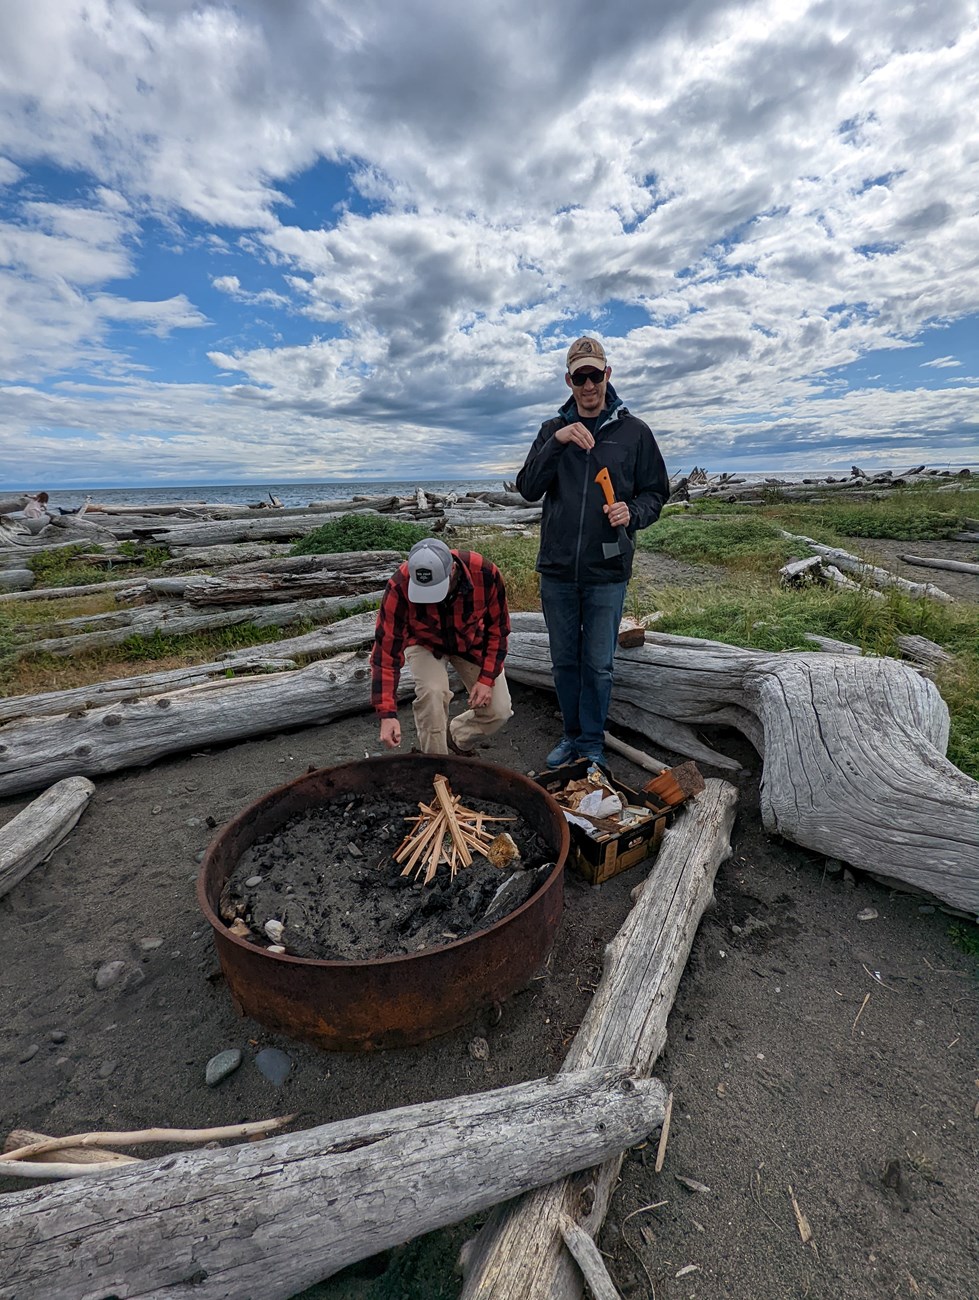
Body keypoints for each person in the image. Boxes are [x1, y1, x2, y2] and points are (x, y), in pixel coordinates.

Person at [516, 336, 669, 768]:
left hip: (608, 569)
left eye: (595, 375)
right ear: (568, 379)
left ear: (608, 374)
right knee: (564, 661)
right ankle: (571, 736)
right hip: (558, 569)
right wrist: (559, 440)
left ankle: (592, 745)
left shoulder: (634, 432)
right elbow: (528, 488)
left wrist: (632, 511)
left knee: (599, 664)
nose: (588, 385)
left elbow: (657, 492)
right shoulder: (552, 430)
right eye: (579, 376)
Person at [370, 537, 512, 756]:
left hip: (471, 641)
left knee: (499, 711)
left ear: (453, 569)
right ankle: (437, 767)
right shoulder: (399, 586)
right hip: (425, 642)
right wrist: (387, 714)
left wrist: (486, 679)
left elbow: (498, 630)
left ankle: (455, 737)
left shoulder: (484, 573)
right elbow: (385, 654)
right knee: (432, 694)